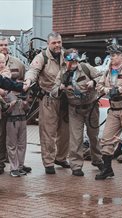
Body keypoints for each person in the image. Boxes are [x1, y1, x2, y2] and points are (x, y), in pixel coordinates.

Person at [51, 49, 103, 176]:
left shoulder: (86, 67)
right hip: (74, 109)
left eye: (75, 60)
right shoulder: (62, 73)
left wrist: (94, 82)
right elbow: (53, 91)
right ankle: (76, 165)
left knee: (93, 136)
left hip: (91, 106)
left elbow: (102, 76)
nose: (73, 63)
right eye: (70, 61)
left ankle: (97, 159)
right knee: (76, 138)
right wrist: (61, 88)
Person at [24, 32, 70, 174]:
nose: (57, 45)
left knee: (65, 131)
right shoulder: (42, 57)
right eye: (54, 43)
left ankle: (61, 158)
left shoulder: (67, 55)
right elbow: (33, 71)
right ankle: (48, 162)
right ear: (48, 44)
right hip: (48, 99)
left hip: (65, 99)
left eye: (59, 42)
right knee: (48, 132)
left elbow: (78, 68)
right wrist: (28, 81)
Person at [95, 45, 122, 180]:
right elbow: (99, 86)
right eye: (111, 55)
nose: (112, 57)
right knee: (106, 139)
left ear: (121, 55)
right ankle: (107, 168)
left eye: (114, 54)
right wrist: (109, 91)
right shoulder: (108, 71)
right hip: (114, 109)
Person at [0, 38, 30, 175]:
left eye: (6, 44)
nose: (4, 47)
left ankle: (17, 165)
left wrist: (23, 88)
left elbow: (8, 83)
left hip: (13, 108)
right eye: (1, 45)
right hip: (5, 106)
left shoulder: (17, 63)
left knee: (16, 139)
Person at [5, 80, 30, 177]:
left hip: (22, 120)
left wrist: (25, 104)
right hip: (12, 120)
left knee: (22, 144)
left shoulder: (23, 94)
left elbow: (28, 109)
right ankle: (13, 168)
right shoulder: (8, 93)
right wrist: (11, 105)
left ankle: (20, 166)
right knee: (12, 145)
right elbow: (5, 110)